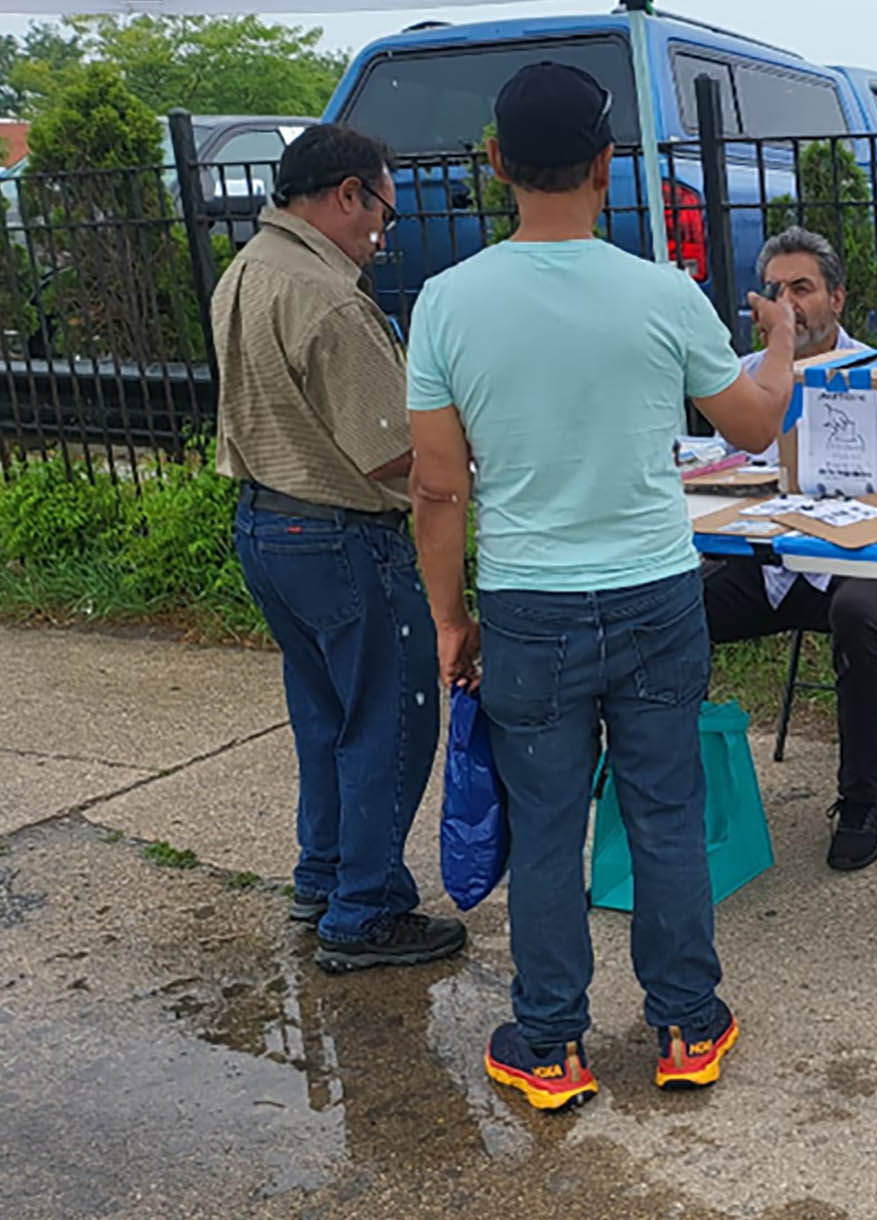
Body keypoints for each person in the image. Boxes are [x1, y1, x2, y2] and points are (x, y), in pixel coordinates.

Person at [406, 62, 796, 1111]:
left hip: (529, 606)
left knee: (545, 829)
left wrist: (451, 616)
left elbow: (438, 490)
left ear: (495, 164)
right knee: (665, 815)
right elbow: (753, 427)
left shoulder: (446, 304)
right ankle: (683, 1025)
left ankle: (548, 1043)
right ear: (605, 163)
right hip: (656, 594)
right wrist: (781, 345)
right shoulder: (660, 292)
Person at [214, 124, 466, 976]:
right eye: (381, 211)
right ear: (347, 193)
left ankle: (321, 877)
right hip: (340, 534)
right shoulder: (326, 295)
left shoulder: (246, 270)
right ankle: (365, 910)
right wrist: (475, 459)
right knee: (392, 723)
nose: (381, 232)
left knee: (326, 719)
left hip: (266, 527)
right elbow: (392, 448)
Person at [700, 227, 877, 874]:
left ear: (837, 298)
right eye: (776, 290)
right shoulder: (741, 379)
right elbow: (725, 468)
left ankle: (860, 801)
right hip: (766, 567)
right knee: (668, 604)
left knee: (857, 614)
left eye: (803, 288)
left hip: (856, 562)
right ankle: (668, 783)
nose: (788, 303)